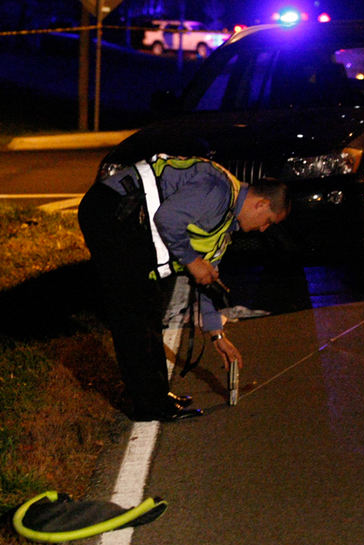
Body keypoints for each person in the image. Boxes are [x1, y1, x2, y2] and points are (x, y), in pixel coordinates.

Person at [78, 155, 289, 422]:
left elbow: (207, 279)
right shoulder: (218, 189)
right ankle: (148, 406)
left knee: (149, 311)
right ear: (262, 204)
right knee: (133, 311)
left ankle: (157, 396)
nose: (263, 229)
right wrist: (192, 261)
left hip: (131, 219)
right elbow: (168, 219)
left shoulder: (225, 223)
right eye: (268, 220)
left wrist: (217, 335)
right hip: (113, 209)